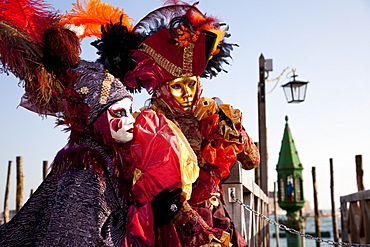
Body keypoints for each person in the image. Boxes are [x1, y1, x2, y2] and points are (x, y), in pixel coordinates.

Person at [91, 2, 260, 246]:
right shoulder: (147, 126)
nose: (187, 94)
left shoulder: (213, 116)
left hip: (217, 218)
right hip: (172, 226)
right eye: (177, 87)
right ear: (160, 90)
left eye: (191, 85)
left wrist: (233, 128)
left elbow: (251, 161)